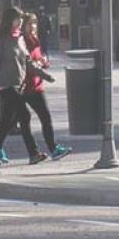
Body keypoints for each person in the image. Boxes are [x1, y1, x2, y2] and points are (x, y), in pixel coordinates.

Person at [0, 7, 49, 166]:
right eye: (17, 19)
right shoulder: (1, 40)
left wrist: (44, 75)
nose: (20, 22)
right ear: (9, 21)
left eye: (20, 19)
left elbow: (28, 62)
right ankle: (34, 153)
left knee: (7, 121)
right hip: (6, 85)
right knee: (24, 115)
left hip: (19, 85)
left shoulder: (19, 39)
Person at [20, 13, 71, 160]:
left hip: (36, 84)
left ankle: (38, 152)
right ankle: (50, 149)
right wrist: (44, 72)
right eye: (29, 24)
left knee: (33, 118)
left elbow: (40, 60)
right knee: (28, 119)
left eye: (34, 23)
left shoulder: (35, 40)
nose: (33, 26)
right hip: (28, 85)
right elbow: (28, 64)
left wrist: (44, 62)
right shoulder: (23, 42)